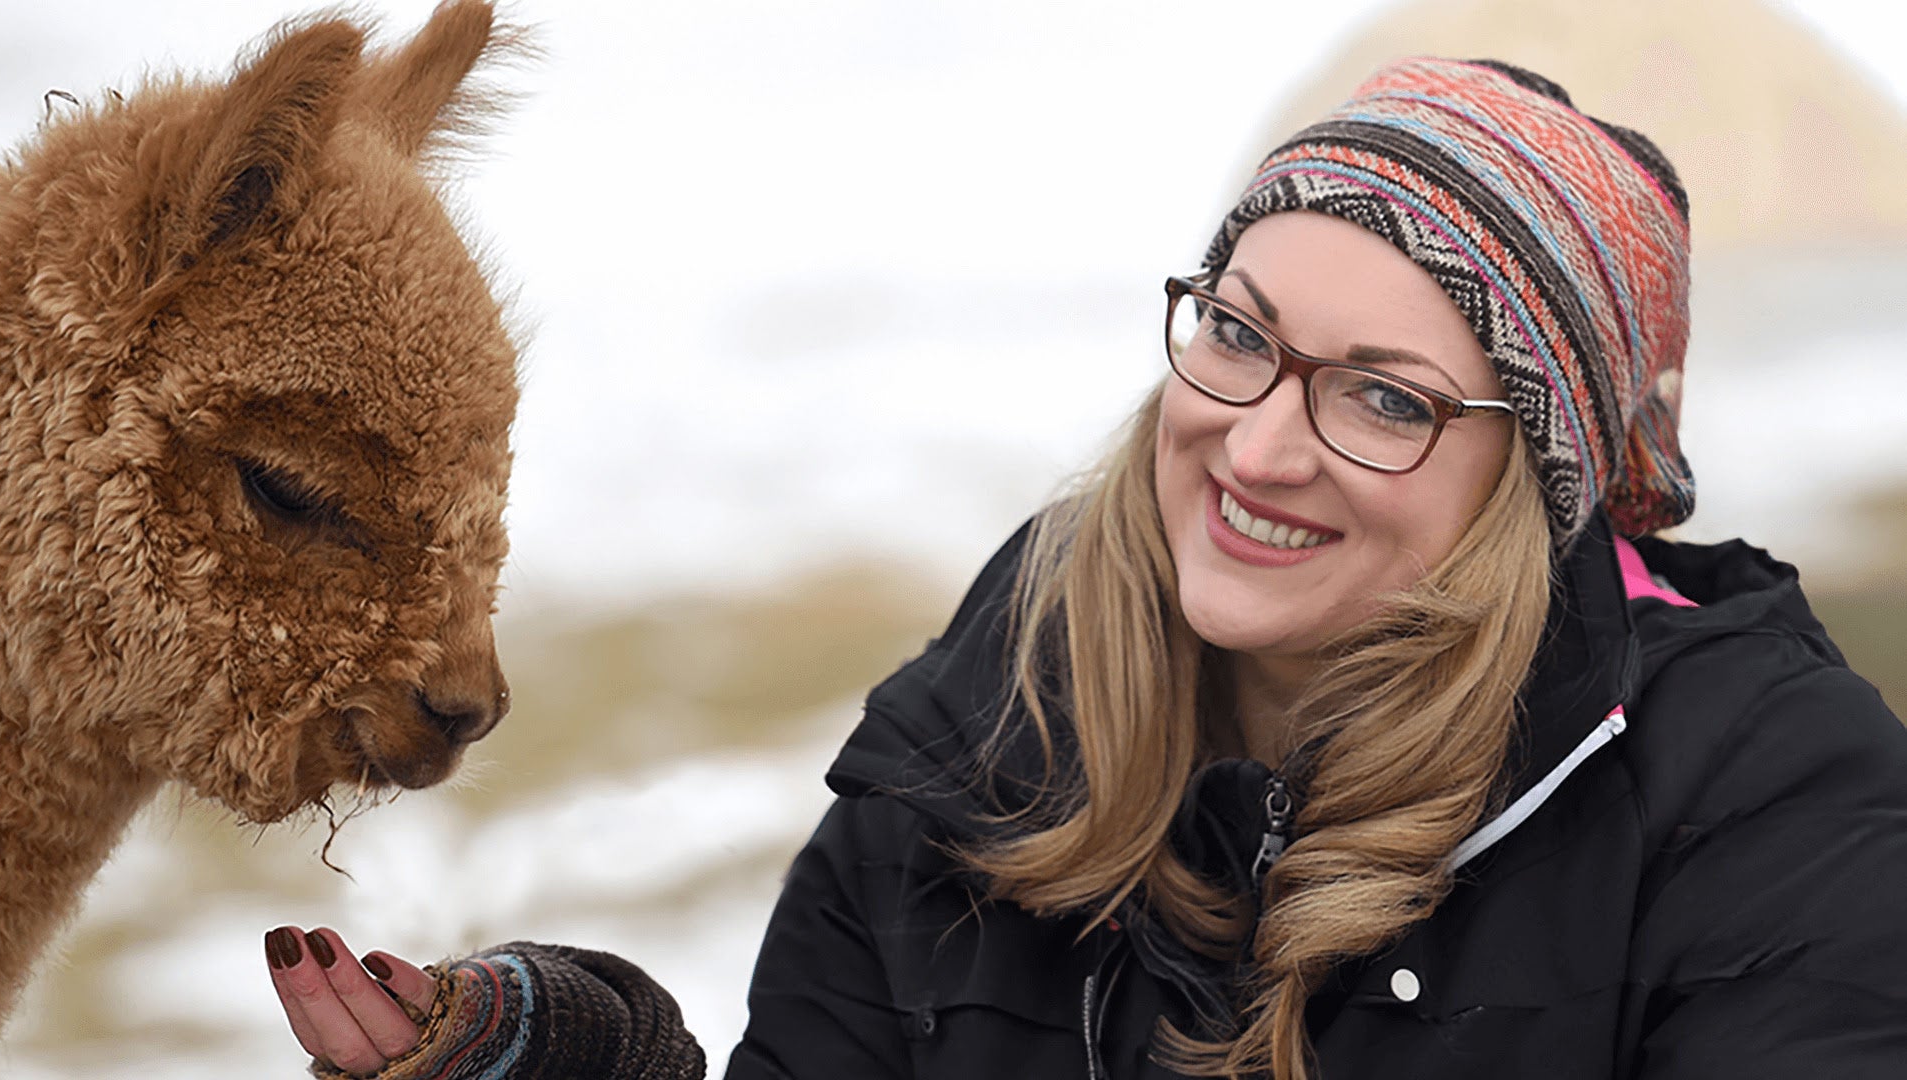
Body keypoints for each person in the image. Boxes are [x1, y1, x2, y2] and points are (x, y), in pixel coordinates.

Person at [258, 58, 1907, 1079]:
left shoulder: (1759, 796)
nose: (1260, 447)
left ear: (1532, 484)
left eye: (1386, 398)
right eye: (1240, 339)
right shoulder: (984, 730)